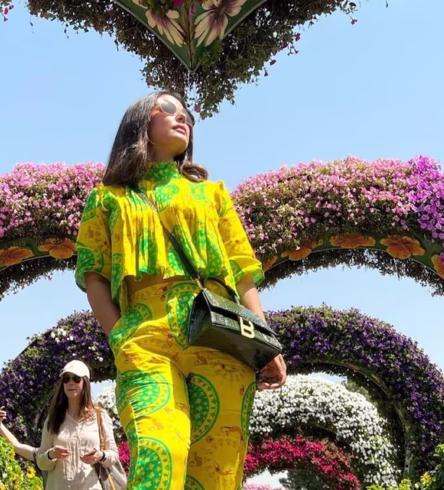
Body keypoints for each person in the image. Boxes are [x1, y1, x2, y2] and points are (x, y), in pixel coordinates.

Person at [74, 90, 287, 489]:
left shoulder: (212, 194)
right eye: (169, 109)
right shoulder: (108, 198)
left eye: (187, 113)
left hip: (220, 336)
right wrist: (119, 336)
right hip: (146, 337)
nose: (182, 117)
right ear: (140, 124)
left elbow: (242, 272)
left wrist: (267, 343)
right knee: (158, 457)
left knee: (217, 471)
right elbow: (94, 275)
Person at [0, 360, 121, 490]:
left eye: (76, 379)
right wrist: (51, 455)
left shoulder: (100, 416)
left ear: (85, 382)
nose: (71, 382)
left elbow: (113, 456)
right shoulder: (53, 418)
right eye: (66, 379)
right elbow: (41, 461)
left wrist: (101, 455)